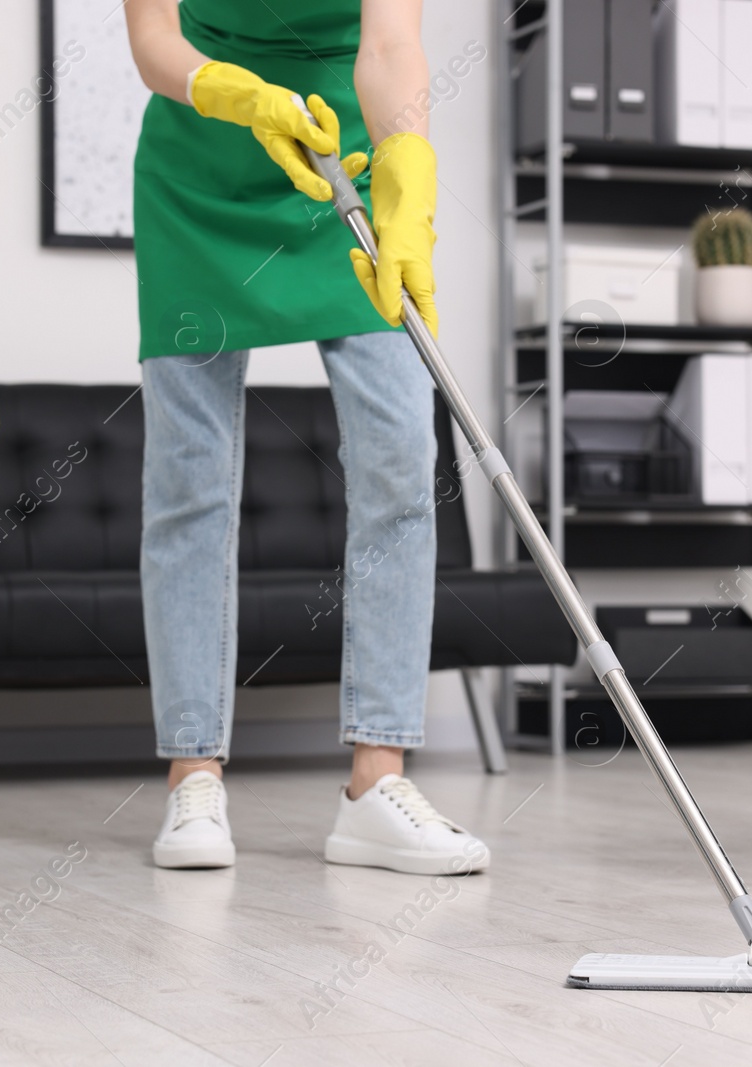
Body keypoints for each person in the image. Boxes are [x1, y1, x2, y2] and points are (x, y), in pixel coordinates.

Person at [124, 0, 489, 875]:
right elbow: (153, 39)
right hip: (199, 163)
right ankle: (193, 776)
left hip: (340, 156)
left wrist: (408, 163)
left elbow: (393, 41)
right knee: (190, 475)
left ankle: (377, 779)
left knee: (404, 456)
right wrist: (231, 91)